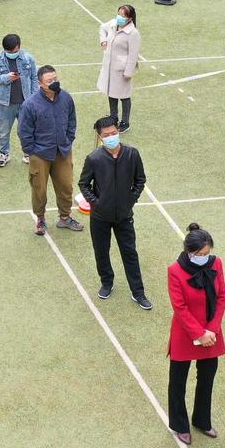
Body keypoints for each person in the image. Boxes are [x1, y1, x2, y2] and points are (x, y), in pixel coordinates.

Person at [78, 116, 150, 309]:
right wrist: (96, 203)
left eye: (114, 133)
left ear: (118, 131)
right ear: (100, 137)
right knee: (101, 252)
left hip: (124, 216)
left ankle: (138, 292)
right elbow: (84, 184)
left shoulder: (132, 154)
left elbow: (140, 180)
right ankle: (107, 282)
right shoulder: (94, 158)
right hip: (100, 217)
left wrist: (130, 199)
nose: (111, 137)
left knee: (130, 253)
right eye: (106, 135)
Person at [167, 223, 225, 445]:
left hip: (211, 333)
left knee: (207, 380)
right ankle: (179, 424)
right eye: (199, 254)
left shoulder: (216, 264)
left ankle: (202, 420)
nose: (204, 258)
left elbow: (221, 297)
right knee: (177, 382)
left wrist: (212, 329)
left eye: (207, 254)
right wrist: (199, 333)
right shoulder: (174, 271)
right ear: (188, 251)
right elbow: (179, 307)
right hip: (186, 334)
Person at [19, 66, 81, 236]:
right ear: (40, 84)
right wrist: (31, 151)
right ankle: (40, 218)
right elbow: (24, 131)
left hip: (63, 151)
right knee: (39, 189)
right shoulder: (30, 104)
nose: (54, 82)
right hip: (40, 154)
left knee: (66, 186)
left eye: (55, 78)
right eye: (49, 81)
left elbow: (71, 120)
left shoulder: (66, 98)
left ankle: (65, 217)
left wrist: (68, 139)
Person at [0, 33, 36, 168]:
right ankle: (4, 154)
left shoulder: (28, 58)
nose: (11, 53)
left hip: (25, 103)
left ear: (19, 47)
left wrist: (33, 97)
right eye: (8, 51)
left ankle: (28, 153)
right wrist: (6, 77)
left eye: (14, 51)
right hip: (5, 104)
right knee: (4, 131)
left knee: (25, 130)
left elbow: (34, 77)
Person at [97, 5, 140, 132]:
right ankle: (113, 116)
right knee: (111, 92)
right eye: (119, 13)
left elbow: (133, 55)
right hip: (110, 66)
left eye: (123, 15)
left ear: (130, 18)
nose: (120, 17)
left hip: (121, 70)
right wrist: (103, 41)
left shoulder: (133, 33)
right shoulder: (113, 24)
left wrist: (128, 72)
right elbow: (102, 28)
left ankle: (125, 122)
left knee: (124, 96)